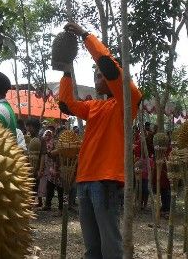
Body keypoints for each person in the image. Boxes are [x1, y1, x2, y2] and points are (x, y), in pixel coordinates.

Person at [57, 22, 142, 258]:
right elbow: (66, 105)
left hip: (105, 180)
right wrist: (66, 71)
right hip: (84, 180)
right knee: (92, 246)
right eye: (94, 74)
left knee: (110, 243)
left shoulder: (128, 101)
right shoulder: (94, 106)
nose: (96, 75)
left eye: (99, 74)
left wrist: (86, 36)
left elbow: (108, 65)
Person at [40, 128, 63, 216]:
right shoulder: (53, 142)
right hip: (52, 169)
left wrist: (50, 153)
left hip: (60, 170)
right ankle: (48, 205)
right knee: (50, 188)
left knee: (60, 191)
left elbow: (55, 154)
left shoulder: (60, 143)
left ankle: (61, 209)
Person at [26, 118, 44, 208]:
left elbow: (43, 156)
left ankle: (29, 208)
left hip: (35, 168)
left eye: (30, 126)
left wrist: (40, 170)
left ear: (36, 127)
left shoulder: (41, 139)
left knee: (33, 188)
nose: (28, 128)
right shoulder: (27, 138)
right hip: (26, 167)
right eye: (27, 126)